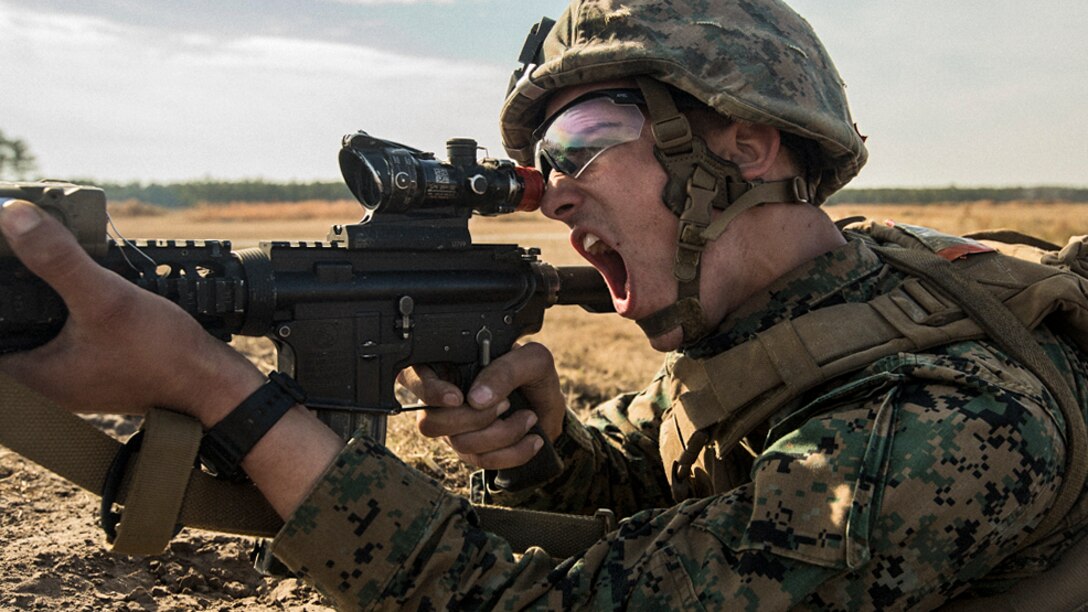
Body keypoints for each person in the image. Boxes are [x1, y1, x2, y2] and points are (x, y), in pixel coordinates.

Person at [1, 0, 1086, 609]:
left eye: (584, 140)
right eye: (538, 160)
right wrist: (544, 455)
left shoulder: (940, 426)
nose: (551, 188)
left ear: (744, 146)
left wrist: (212, 386)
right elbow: (672, 480)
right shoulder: (789, 321)